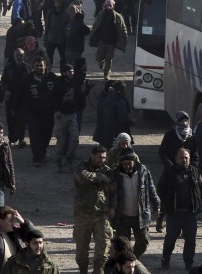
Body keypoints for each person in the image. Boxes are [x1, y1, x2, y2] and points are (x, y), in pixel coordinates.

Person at [158, 147, 202, 271]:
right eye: (182, 158)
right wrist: (164, 203)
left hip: (190, 213)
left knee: (190, 239)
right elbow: (160, 189)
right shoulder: (169, 172)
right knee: (171, 238)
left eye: (186, 158)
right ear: (176, 159)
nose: (184, 160)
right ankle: (165, 259)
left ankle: (189, 262)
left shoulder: (195, 171)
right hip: (174, 213)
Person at [109, 147, 160, 259]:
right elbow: (112, 194)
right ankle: (125, 263)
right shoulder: (115, 174)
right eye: (124, 163)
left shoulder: (143, 171)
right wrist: (111, 208)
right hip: (122, 216)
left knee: (143, 242)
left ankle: (132, 259)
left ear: (134, 161)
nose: (127, 166)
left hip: (140, 215)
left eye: (129, 163)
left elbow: (151, 188)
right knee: (122, 244)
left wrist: (156, 204)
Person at [74, 144, 113, 274]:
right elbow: (82, 177)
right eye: (99, 157)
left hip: (101, 214)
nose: (102, 160)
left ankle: (98, 270)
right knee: (81, 248)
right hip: (83, 213)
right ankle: (83, 270)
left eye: (104, 157)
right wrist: (100, 178)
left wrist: (112, 207)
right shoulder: (82, 166)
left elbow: (113, 190)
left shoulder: (108, 170)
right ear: (92, 156)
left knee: (103, 246)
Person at [16, 56, 59, 166]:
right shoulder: (28, 79)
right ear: (33, 67)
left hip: (48, 113)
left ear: (45, 65)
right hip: (33, 113)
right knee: (35, 135)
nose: (39, 68)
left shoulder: (52, 78)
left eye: (41, 65)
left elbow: (59, 93)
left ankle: (42, 153)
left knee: (47, 134)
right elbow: (22, 96)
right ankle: (37, 157)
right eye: (37, 66)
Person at [89, 0, 128, 80]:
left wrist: (124, 38)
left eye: (110, 5)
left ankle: (106, 73)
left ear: (113, 6)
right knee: (99, 57)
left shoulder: (118, 16)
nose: (109, 7)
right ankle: (101, 62)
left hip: (111, 41)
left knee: (109, 58)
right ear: (104, 5)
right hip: (102, 40)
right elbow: (95, 25)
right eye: (107, 5)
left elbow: (123, 29)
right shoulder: (101, 15)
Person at [0, 49, 31, 148]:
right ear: (14, 56)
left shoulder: (28, 68)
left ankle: (21, 139)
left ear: (24, 56)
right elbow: (3, 80)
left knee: (21, 119)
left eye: (21, 55)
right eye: (17, 55)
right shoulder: (8, 68)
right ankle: (12, 139)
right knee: (11, 118)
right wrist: (6, 90)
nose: (19, 57)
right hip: (11, 97)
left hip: (23, 98)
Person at [92, 81, 132, 149]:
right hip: (118, 136)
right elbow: (122, 119)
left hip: (105, 135)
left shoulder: (105, 100)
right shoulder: (120, 101)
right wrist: (130, 122)